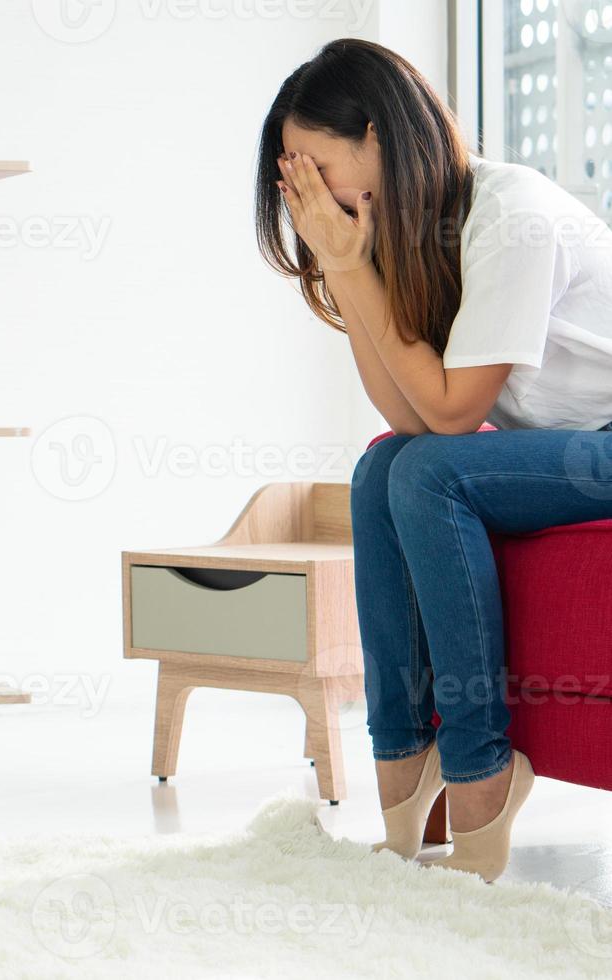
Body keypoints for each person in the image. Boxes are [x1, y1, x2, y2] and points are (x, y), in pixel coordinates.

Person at [256, 38, 612, 882]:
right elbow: (407, 412)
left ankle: (485, 774)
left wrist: (346, 261)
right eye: (293, 175)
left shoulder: (510, 213)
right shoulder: (413, 232)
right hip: (578, 447)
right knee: (385, 465)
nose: (312, 193)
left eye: (319, 166)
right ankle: (404, 767)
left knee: (425, 468)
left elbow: (453, 414)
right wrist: (350, 273)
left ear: (379, 135)